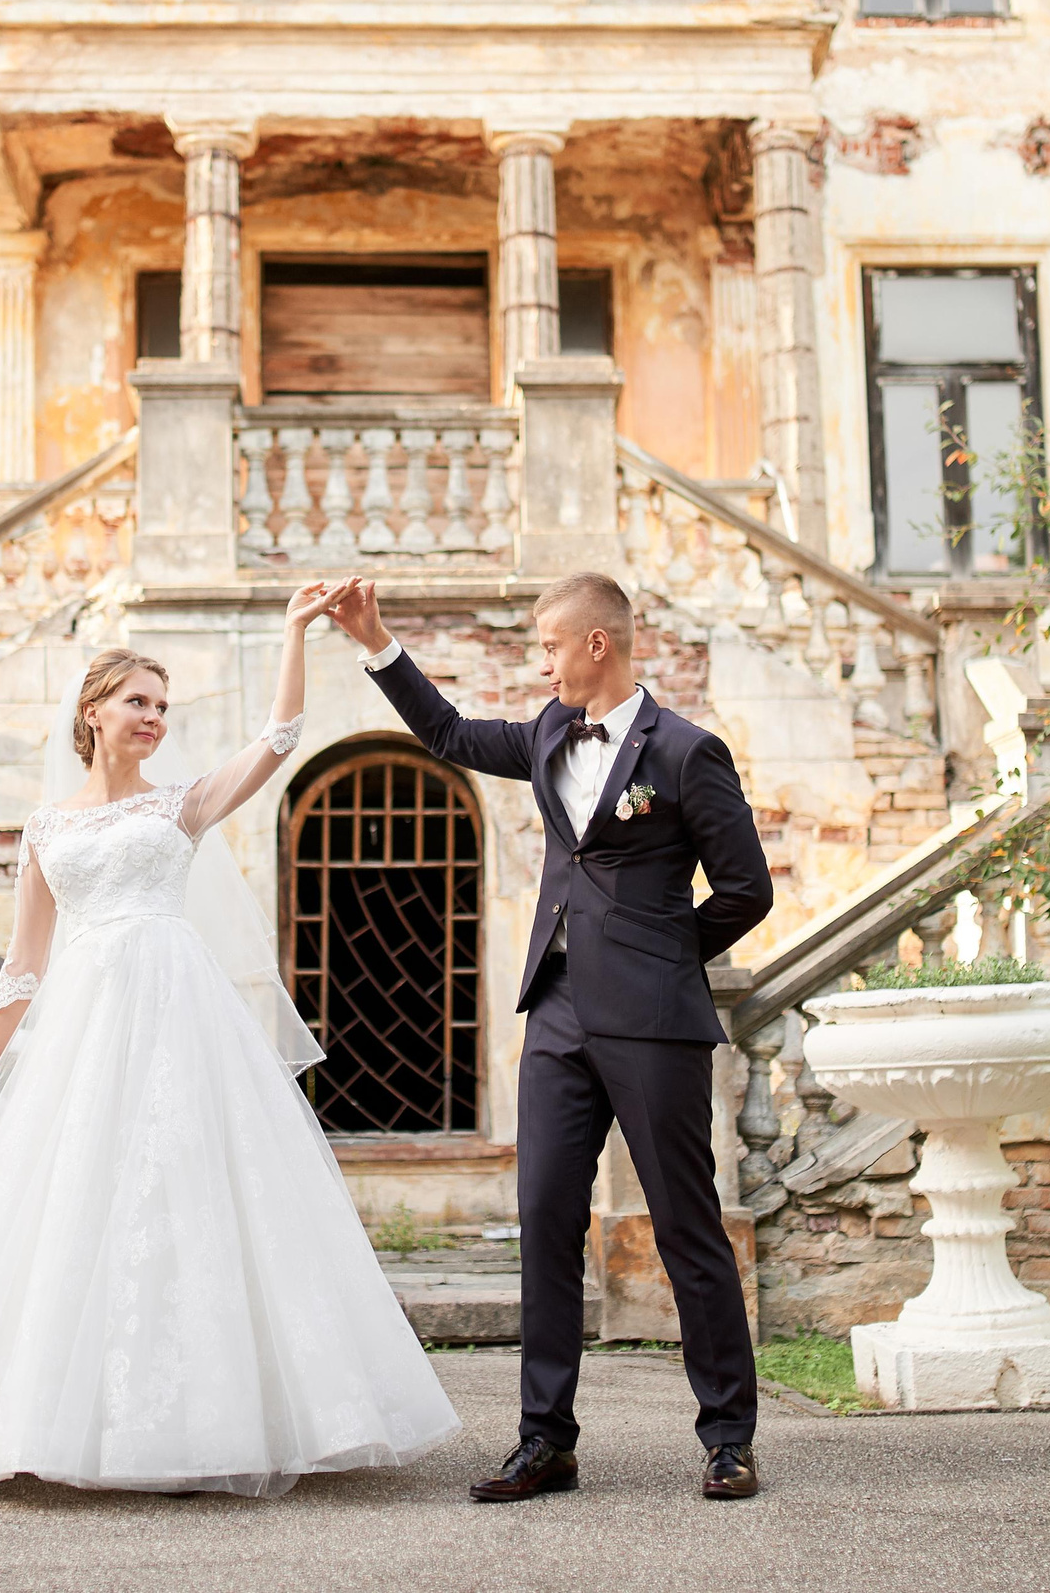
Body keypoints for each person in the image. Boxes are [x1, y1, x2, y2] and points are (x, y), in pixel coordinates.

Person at [0, 581, 461, 1496]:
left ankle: (214, 1416)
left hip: (178, 1010)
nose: (155, 717)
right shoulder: (47, 829)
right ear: (94, 713)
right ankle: (47, 1420)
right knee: (75, 1200)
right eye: (139, 702)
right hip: (86, 1018)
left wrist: (294, 632)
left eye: (163, 705)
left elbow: (279, 740)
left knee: (190, 1193)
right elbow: (22, 966)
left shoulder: (181, 807)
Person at [329, 571, 775, 1503]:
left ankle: (729, 1437)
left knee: (686, 1223)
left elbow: (745, 890)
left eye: (551, 645)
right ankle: (545, 1440)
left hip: (654, 1022)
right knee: (545, 1222)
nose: (544, 661)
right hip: (558, 1013)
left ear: (597, 644)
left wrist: (659, 957)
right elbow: (448, 732)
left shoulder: (690, 754)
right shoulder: (543, 733)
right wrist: (378, 644)